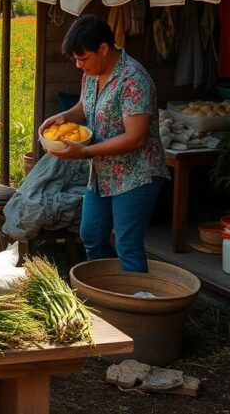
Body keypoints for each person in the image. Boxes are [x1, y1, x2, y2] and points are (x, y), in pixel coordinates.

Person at [40, 14, 169, 272]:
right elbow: (84, 107)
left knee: (127, 245)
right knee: (91, 235)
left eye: (82, 58)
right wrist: (64, 116)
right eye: (76, 59)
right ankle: (107, 288)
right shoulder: (91, 72)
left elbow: (136, 137)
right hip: (102, 173)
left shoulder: (134, 80)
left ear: (103, 49)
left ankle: (136, 302)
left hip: (136, 175)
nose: (78, 65)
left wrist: (85, 151)